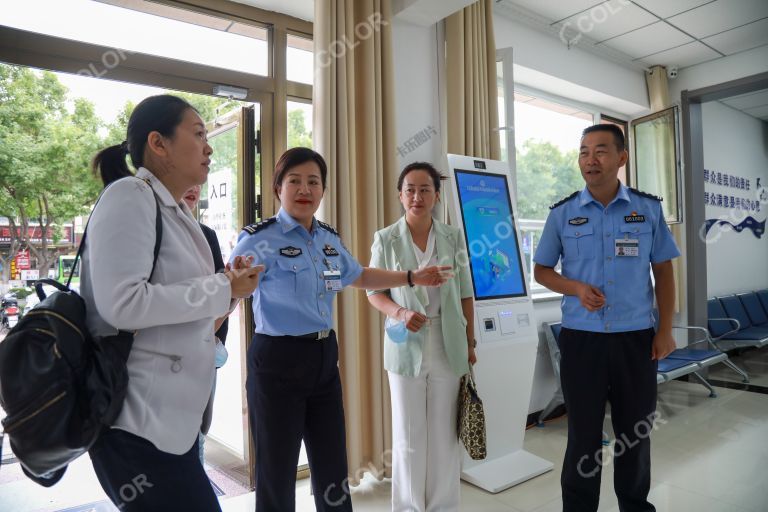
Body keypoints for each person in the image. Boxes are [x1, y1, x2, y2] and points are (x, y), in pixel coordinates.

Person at [229, 147, 452, 512]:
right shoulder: (259, 239)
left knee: (333, 464)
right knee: (277, 468)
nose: (305, 189)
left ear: (323, 190)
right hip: (277, 361)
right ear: (278, 188)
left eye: (313, 182)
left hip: (322, 357)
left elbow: (361, 275)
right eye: (295, 181)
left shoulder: (327, 239)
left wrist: (412, 277)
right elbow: (233, 290)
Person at [82, 94, 263, 512]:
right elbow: (123, 304)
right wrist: (223, 289)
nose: (208, 146)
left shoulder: (176, 212)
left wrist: (231, 288)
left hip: (172, 423)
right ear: (158, 143)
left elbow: (189, 309)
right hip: (135, 423)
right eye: (198, 134)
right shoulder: (130, 195)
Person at [533, 124, 680, 512]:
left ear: (621, 158)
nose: (590, 159)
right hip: (582, 340)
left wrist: (664, 329)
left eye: (600, 151)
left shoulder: (647, 209)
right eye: (583, 151)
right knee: (583, 436)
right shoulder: (563, 213)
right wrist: (576, 288)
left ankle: (635, 505)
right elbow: (542, 271)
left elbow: (664, 271)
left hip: (637, 339)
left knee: (635, 432)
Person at [366, 162, 476, 512]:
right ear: (400, 196)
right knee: (409, 433)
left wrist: (471, 341)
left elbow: (465, 292)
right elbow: (373, 291)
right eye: (410, 189)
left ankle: (443, 505)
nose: (417, 196)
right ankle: (410, 507)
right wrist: (399, 312)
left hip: (448, 342)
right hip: (404, 343)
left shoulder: (452, 237)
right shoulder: (386, 239)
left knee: (444, 432)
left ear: (436, 196)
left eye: (425, 189)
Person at [182, 185, 230, 464]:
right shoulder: (148, 232)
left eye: (197, 179)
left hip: (203, 352)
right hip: (160, 359)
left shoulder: (207, 235)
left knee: (200, 430)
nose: (193, 187)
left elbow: (222, 295)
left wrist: (236, 288)